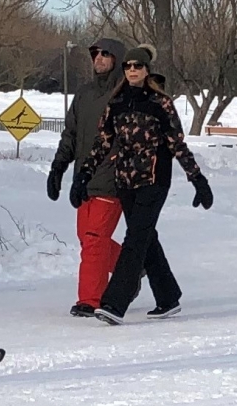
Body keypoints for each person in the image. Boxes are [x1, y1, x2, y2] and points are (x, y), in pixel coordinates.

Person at [78, 45, 212, 324]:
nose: (132, 71)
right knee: (146, 238)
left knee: (135, 239)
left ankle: (114, 303)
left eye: (137, 66)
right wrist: (84, 175)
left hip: (154, 180)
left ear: (147, 70)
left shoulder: (160, 103)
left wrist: (197, 179)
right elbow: (103, 143)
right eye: (127, 67)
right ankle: (168, 297)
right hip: (125, 181)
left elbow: (177, 144)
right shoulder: (116, 103)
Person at [48, 37, 129, 317]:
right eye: (95, 54)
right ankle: (130, 266)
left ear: (118, 59)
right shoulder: (84, 94)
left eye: (106, 54)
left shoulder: (126, 94)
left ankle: (90, 299)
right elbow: (71, 133)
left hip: (112, 178)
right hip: (83, 177)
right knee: (86, 237)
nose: (99, 59)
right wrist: (58, 168)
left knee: (95, 238)